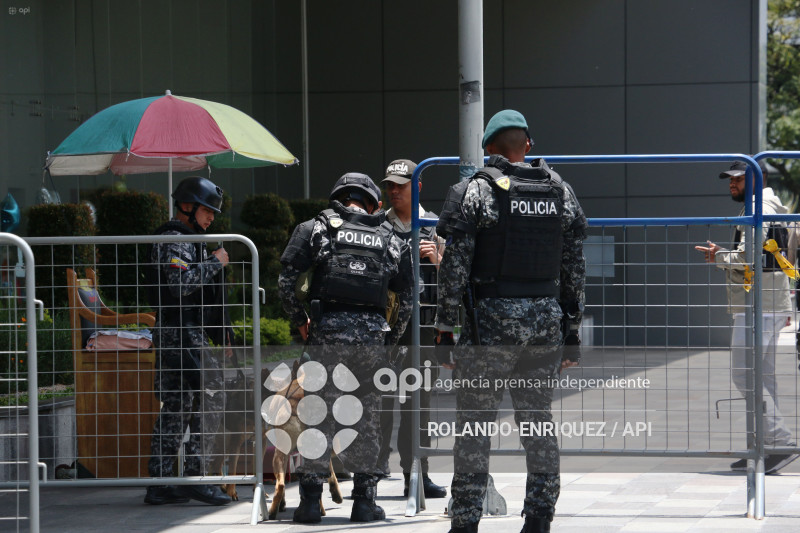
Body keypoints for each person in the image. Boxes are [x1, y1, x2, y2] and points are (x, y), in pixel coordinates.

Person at [435, 109, 586, 533]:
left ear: (488, 149)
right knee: (537, 422)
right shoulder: (561, 191)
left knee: (474, 427)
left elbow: (454, 269)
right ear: (529, 146)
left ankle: (464, 522)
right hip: (545, 323)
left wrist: (445, 328)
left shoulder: (478, 190)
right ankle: (539, 518)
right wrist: (571, 331)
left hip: (491, 325)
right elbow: (575, 266)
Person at [278, 172, 413, 523]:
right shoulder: (392, 237)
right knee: (367, 418)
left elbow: (286, 281)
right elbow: (408, 300)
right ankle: (365, 503)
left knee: (316, 414)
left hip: (326, 333)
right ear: (373, 203)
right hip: (371, 339)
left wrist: (300, 321)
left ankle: (309, 503)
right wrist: (389, 340)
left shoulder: (314, 228)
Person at [695, 160, 798, 474]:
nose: (731, 184)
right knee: (764, 378)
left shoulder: (759, 208)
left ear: (758, 178)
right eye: (730, 179)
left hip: (758, 306)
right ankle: (762, 448)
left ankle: (779, 442)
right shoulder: (772, 205)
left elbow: (751, 257)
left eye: (738, 179)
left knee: (744, 375)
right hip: (771, 301)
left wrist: (718, 257)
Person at [145, 176, 233, 506]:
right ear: (187, 206)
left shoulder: (183, 238)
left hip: (179, 331)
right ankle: (197, 476)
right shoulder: (174, 239)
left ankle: (162, 481)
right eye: (207, 210)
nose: (211, 218)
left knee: (177, 406)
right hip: (180, 332)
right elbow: (180, 285)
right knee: (210, 397)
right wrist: (215, 262)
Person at [376, 159, 448, 499]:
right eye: (389, 185)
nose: (393, 191)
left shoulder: (435, 226)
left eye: (400, 186)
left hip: (423, 327)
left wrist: (436, 258)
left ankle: (417, 473)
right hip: (387, 330)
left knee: (419, 404)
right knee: (381, 400)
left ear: (416, 186)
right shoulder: (378, 226)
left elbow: (453, 278)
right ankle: (374, 471)